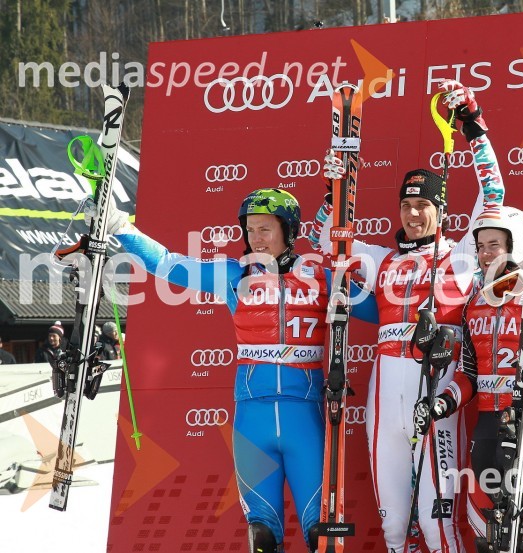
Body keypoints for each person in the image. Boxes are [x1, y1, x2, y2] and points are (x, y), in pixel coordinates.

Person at [92, 188, 378, 553]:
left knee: (320, 534)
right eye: (250, 230)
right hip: (251, 420)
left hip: (304, 417)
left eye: (265, 229)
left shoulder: (321, 277)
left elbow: (383, 314)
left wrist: (351, 280)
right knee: (262, 536)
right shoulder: (232, 275)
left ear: (289, 231)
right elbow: (166, 263)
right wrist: (119, 225)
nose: (255, 239)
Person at [310, 79, 505, 553]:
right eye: (406, 204)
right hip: (384, 398)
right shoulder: (381, 259)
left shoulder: (461, 255)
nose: (413, 214)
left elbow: (494, 191)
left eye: (422, 205)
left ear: (439, 208)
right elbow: (324, 239)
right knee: (395, 529)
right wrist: (333, 187)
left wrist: (472, 123)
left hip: (437, 393)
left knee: (438, 527)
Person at [415, 206, 523, 553]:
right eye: (480, 246)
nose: (484, 254)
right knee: (486, 541)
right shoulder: (472, 306)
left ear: (517, 247)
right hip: (488, 431)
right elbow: (469, 375)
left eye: (494, 244)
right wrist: (441, 402)